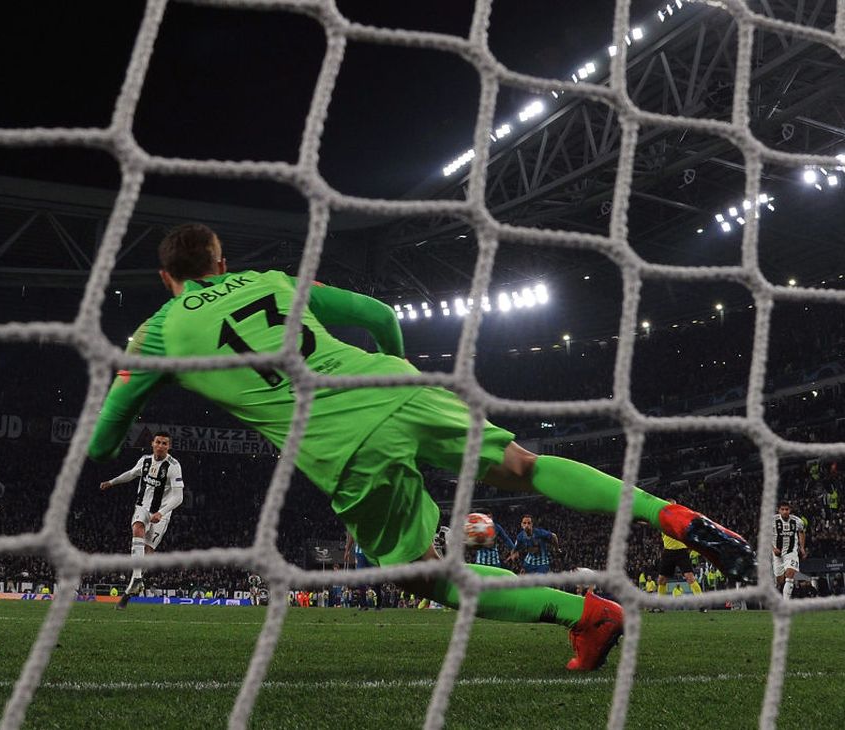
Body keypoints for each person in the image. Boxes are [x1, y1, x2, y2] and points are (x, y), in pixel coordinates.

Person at [87, 223, 758, 671]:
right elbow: (380, 318)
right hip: (400, 387)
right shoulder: (271, 280)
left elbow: (102, 442)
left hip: (341, 446)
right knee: (525, 466)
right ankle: (670, 516)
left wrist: (126, 392)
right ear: (220, 264)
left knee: (423, 574)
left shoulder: (156, 337)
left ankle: (588, 614)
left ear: (168, 278)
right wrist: (397, 380)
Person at [99, 432, 184, 609]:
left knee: (147, 552)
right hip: (142, 508)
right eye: (158, 442)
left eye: (165, 443)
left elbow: (179, 497)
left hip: (161, 514)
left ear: (168, 446)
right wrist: (112, 482)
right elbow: (131, 474)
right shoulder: (145, 460)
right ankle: (137, 578)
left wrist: (162, 512)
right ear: (152, 443)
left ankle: (130, 590)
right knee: (137, 527)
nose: (161, 446)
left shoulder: (173, 466)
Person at [656, 501, 706, 610]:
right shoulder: (661, 520)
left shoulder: (681, 517)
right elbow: (648, 520)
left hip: (681, 552)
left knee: (690, 577)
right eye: (669, 505)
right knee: (661, 580)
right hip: (668, 552)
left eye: (673, 505)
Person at [772, 501, 806, 599]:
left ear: (790, 510)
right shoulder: (772, 521)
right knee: (780, 580)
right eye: (782, 509)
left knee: (790, 574)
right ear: (779, 510)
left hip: (791, 552)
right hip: (777, 554)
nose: (785, 512)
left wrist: (802, 547)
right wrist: (773, 548)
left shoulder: (797, 521)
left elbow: (802, 531)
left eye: (787, 509)